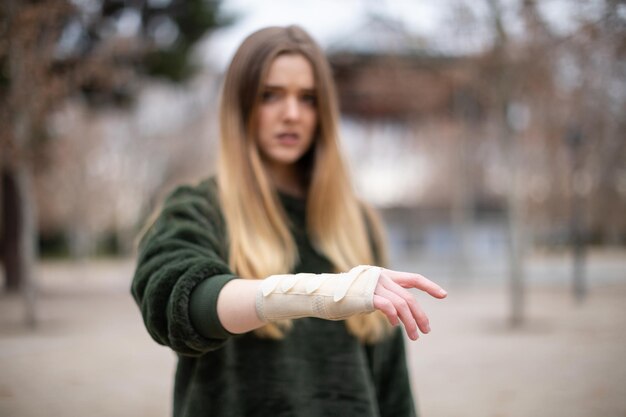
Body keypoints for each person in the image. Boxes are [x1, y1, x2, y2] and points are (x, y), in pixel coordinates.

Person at [131, 25, 447, 417]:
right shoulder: (198, 209)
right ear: (242, 105)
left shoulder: (357, 221)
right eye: (270, 95)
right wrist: (313, 294)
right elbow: (171, 302)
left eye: (308, 98)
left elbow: (391, 382)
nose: (292, 114)